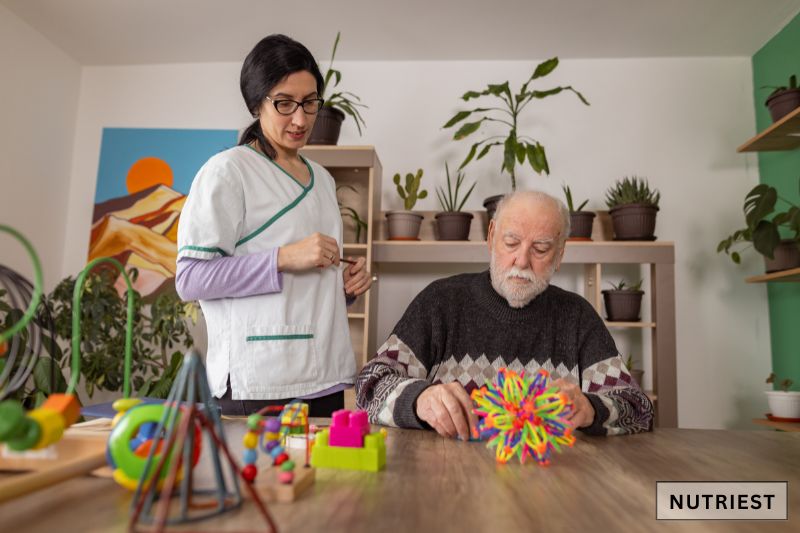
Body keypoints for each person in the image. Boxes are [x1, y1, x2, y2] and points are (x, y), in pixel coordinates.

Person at [176, 34, 371, 416]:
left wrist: (345, 287)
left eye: (310, 102)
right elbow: (191, 279)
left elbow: (309, 283)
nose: (301, 119)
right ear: (255, 104)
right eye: (284, 103)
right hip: (261, 379)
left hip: (325, 375)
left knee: (322, 478)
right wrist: (282, 257)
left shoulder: (323, 180)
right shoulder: (228, 171)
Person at [355, 190, 653, 439]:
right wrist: (418, 399)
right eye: (511, 242)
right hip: (449, 482)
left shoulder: (577, 317)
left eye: (541, 248)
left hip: (551, 487)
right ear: (491, 237)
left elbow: (637, 409)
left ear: (560, 254)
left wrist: (590, 408)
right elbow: (370, 384)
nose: (521, 261)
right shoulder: (440, 302)